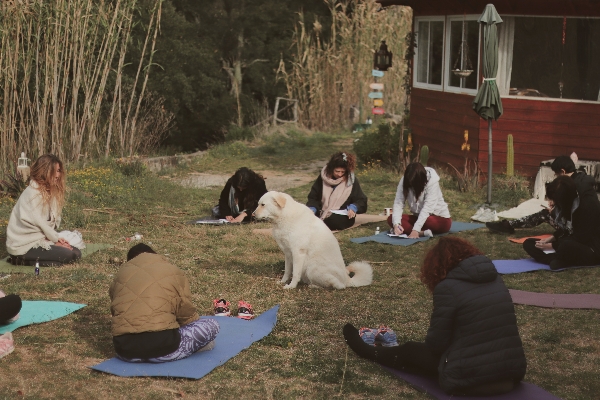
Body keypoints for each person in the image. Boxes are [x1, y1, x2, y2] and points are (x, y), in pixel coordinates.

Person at [343, 237, 527, 396]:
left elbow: (436, 345)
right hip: (509, 374)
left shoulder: (447, 288)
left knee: (410, 351)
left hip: (470, 380)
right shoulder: (496, 279)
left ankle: (367, 350)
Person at [109, 243, 219, 363]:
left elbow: (116, 309)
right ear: (155, 255)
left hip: (125, 352)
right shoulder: (172, 270)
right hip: (165, 349)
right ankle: (194, 347)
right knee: (212, 325)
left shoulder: (119, 275)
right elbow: (186, 314)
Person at [487, 155, 596, 234]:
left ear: (563, 172)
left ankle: (509, 225)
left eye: (556, 174)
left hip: (578, 231)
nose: (555, 177)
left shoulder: (572, 187)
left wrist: (554, 212)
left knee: (545, 214)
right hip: (589, 227)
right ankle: (509, 225)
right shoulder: (582, 180)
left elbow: (572, 213)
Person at [6, 154, 81, 266]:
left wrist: (57, 240)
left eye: (59, 171)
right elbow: (40, 223)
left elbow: (50, 224)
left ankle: (42, 260)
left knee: (76, 252)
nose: (57, 175)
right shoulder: (32, 193)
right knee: (69, 255)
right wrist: (55, 240)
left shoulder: (50, 192)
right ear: (44, 171)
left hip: (41, 239)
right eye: (54, 171)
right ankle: (20, 260)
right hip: (24, 245)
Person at [523, 176, 600, 270]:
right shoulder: (568, 202)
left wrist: (552, 245)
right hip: (572, 241)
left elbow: (581, 237)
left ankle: (559, 258)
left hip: (591, 248)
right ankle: (559, 259)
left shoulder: (588, 205)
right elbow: (568, 228)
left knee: (565, 246)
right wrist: (552, 238)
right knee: (529, 243)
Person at [306, 152, 367, 231]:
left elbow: (361, 200)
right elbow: (313, 197)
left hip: (341, 214)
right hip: (321, 211)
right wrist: (313, 209)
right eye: (337, 171)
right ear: (331, 169)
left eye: (343, 172)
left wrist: (353, 208)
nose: (340, 174)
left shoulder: (351, 180)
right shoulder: (323, 178)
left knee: (333, 221)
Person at [389, 162, 451, 238]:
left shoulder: (432, 182)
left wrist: (416, 230)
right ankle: (423, 233)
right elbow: (399, 203)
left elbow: (427, 208)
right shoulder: (405, 180)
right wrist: (396, 225)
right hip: (419, 218)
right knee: (391, 218)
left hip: (439, 219)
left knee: (429, 221)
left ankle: (414, 231)